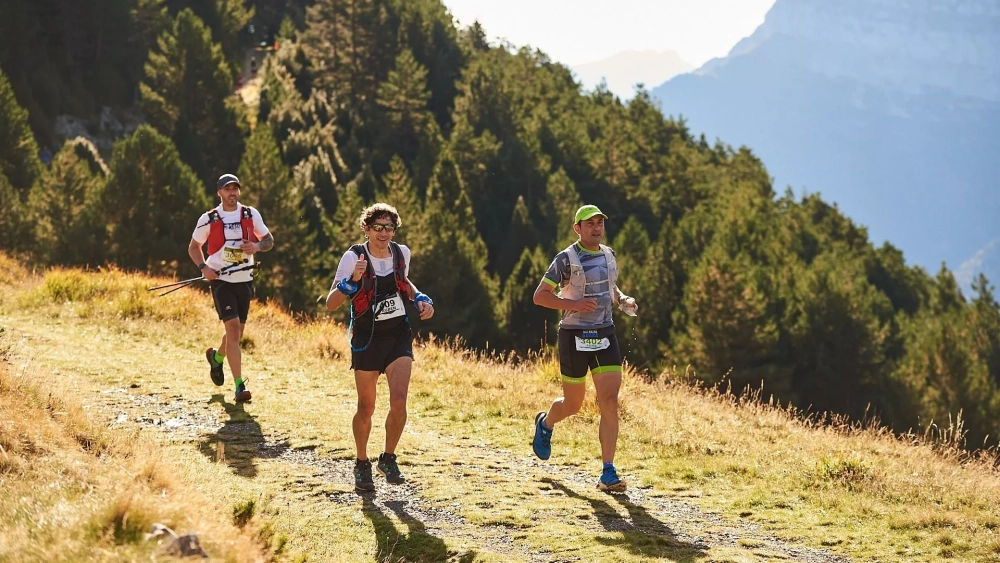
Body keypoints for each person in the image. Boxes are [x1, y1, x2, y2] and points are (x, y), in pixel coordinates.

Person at [325, 203, 434, 492]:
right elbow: (331, 303)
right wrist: (353, 281)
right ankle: (362, 463)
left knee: (399, 401)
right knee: (367, 406)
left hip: (398, 334)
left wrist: (420, 298)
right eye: (377, 227)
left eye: (389, 228)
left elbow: (403, 282)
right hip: (366, 339)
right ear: (367, 229)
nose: (383, 233)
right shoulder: (353, 257)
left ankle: (388, 458)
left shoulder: (401, 253)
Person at [531, 204, 638, 492]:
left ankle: (608, 472)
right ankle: (546, 423)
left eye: (600, 222)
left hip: (605, 333)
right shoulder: (565, 259)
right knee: (573, 404)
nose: (596, 227)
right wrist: (573, 304)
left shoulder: (608, 254)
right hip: (573, 336)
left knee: (609, 401)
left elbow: (611, 287)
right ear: (577, 228)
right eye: (589, 223)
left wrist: (623, 300)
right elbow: (540, 296)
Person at [189, 173, 273, 402]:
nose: (232, 193)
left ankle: (216, 358)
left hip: (244, 279)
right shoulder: (209, 218)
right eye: (227, 189)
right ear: (219, 192)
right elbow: (194, 247)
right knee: (234, 330)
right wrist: (204, 268)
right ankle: (239, 386)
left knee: (236, 333)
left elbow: (268, 240)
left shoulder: (250, 214)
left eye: (235, 188)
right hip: (221, 281)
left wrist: (256, 246)